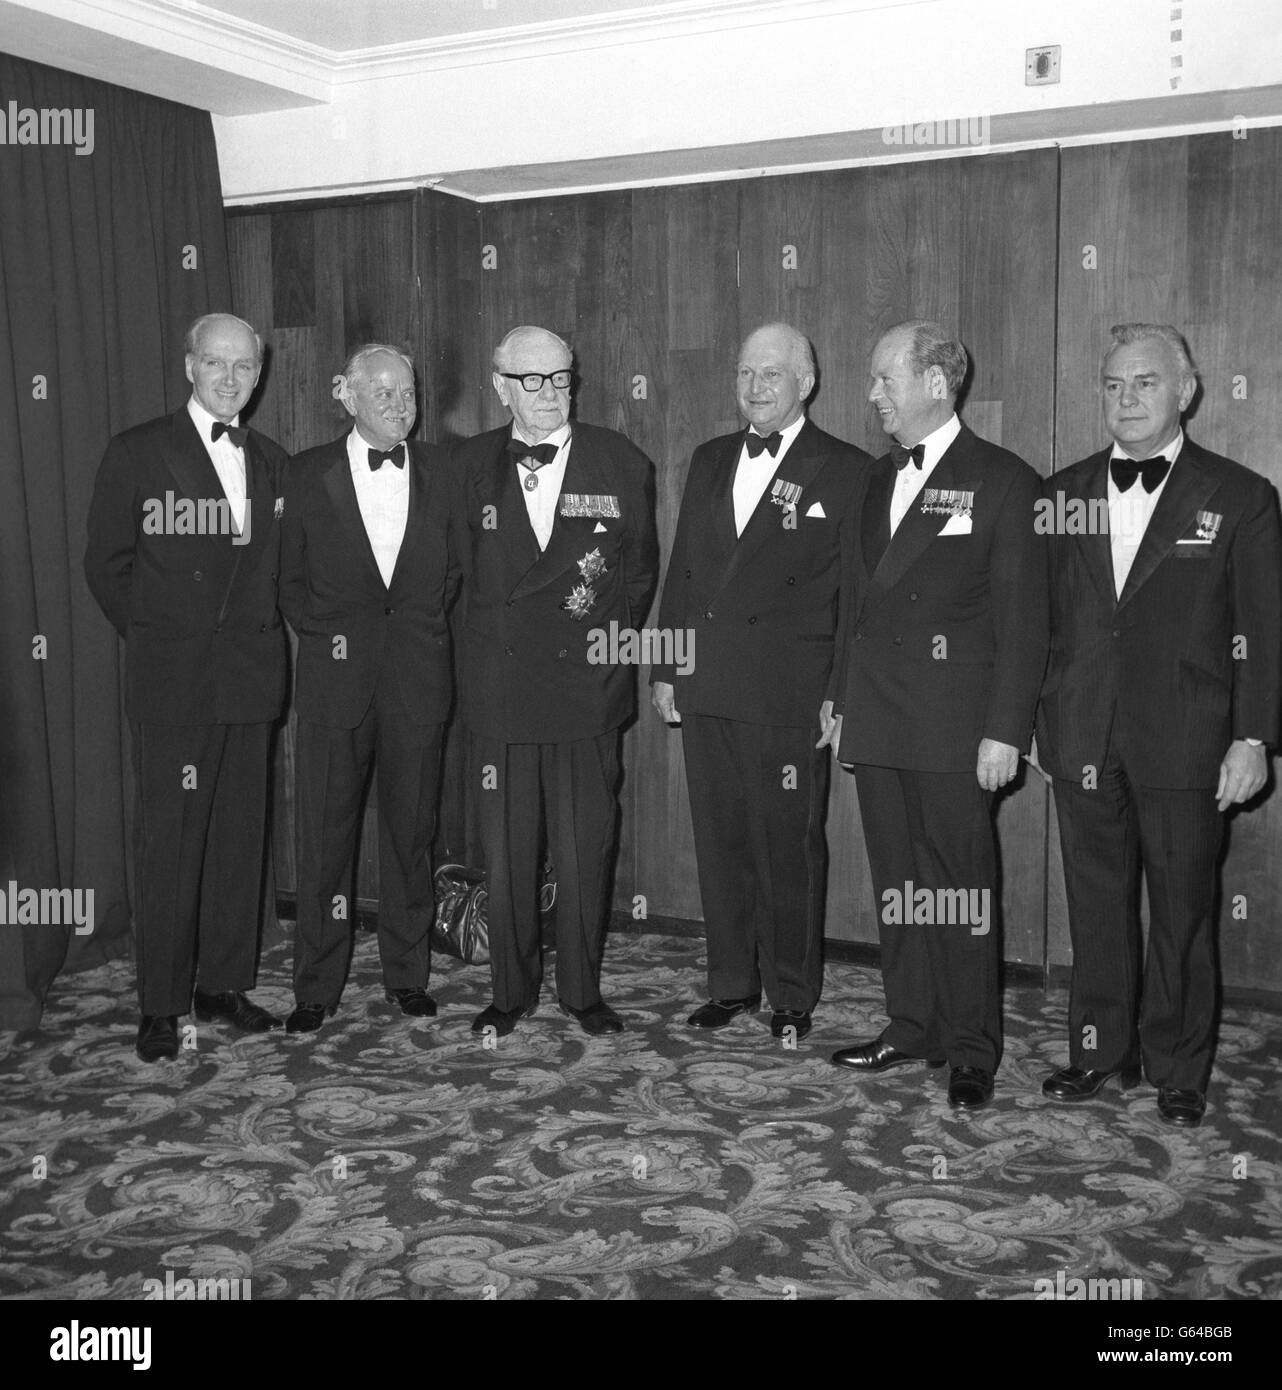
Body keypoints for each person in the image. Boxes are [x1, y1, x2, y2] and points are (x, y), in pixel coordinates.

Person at [1037, 323, 1281, 1128]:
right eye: (1113, 385)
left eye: (1145, 383)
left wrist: (1253, 737)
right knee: (1096, 904)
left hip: (1189, 739)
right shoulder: (1061, 493)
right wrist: (1036, 721)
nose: (1127, 398)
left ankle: (1179, 1066)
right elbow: (1042, 622)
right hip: (1081, 734)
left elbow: (1263, 628)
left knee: (1182, 910)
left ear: (1187, 391)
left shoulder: (1240, 496)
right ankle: (1100, 1051)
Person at [821, 319, 1047, 1109]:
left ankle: (974, 1046)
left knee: (962, 888)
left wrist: (1005, 731)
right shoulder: (875, 482)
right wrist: (842, 704)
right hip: (879, 720)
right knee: (900, 885)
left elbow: (1025, 622)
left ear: (936, 383)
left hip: (959, 728)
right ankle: (910, 1024)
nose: (872, 394)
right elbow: (854, 602)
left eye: (886, 379)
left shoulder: (1006, 480)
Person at [651, 323, 869, 1040]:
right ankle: (732, 983)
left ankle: (793, 994)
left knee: (788, 847)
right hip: (708, 684)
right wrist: (665, 668)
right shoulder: (710, 458)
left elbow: (854, 601)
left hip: (789, 695)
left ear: (806, 382)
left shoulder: (846, 468)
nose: (755, 387)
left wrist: (839, 691)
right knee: (720, 843)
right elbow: (683, 570)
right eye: (746, 373)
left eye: (771, 374)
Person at [85, 312, 288, 1062]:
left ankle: (223, 985)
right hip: (175, 683)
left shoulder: (270, 460)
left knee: (239, 841)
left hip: (249, 682)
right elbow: (107, 564)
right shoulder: (139, 451)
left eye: (243, 366)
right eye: (215, 363)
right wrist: (163, 640)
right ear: (189, 368)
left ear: (258, 375)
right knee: (170, 844)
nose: (230, 378)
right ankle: (163, 1004)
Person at [449, 326, 658, 1037]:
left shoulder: (621, 462)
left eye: (560, 378)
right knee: (507, 854)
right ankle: (510, 992)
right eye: (531, 381)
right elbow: (454, 578)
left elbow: (637, 575)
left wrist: (602, 654)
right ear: (501, 385)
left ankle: (581, 991)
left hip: (583, 692)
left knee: (583, 848)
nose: (548, 394)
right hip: (500, 692)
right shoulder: (467, 465)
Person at [278, 344, 458, 1035]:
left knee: (412, 837)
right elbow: (288, 583)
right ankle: (317, 985)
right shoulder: (303, 473)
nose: (398, 403)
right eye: (380, 392)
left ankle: (407, 977)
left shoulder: (447, 473)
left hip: (418, 680)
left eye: (407, 391)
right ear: (344, 395)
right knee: (327, 839)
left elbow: (453, 580)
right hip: (335, 685)